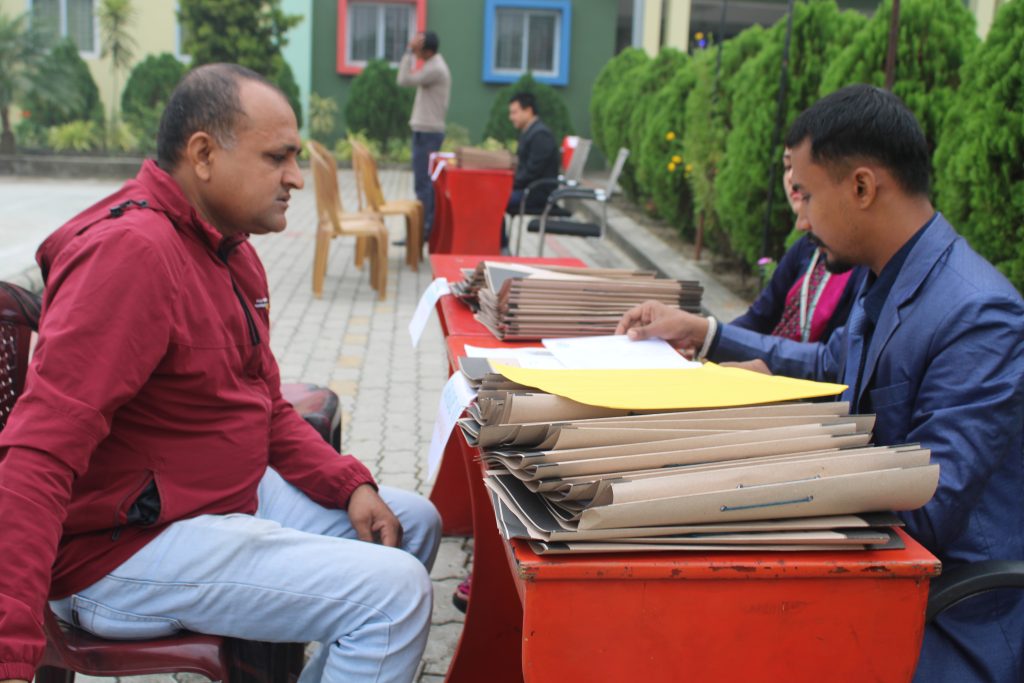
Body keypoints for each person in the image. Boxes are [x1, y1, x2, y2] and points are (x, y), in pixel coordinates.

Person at [0, 64, 441, 683]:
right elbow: (39, 452)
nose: (296, 177)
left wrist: (347, 485)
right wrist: (11, 651)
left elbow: (265, 405)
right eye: (277, 158)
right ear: (203, 155)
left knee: (412, 523)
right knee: (394, 594)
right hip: (123, 549)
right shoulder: (133, 256)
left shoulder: (230, 251)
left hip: (218, 497)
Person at [617, 84, 1024, 683]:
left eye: (806, 194)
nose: (801, 219)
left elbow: (930, 502)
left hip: (949, 611)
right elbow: (828, 365)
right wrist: (707, 338)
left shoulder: (978, 314)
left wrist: (770, 465)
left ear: (861, 187)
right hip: (878, 570)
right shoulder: (886, 274)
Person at [731, 147, 866, 343]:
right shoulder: (804, 248)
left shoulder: (867, 262)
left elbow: (833, 357)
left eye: (802, 167)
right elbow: (759, 318)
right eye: (788, 166)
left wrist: (711, 335)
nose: (792, 179)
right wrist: (709, 338)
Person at [397, 30, 451, 243]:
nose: (415, 51)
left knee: (424, 184)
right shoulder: (432, 65)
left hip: (428, 132)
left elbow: (403, 79)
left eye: (418, 47)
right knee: (424, 183)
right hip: (426, 130)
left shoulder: (435, 68)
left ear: (427, 51)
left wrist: (408, 52)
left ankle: (423, 232)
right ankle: (423, 230)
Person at [503, 92, 562, 250]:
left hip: (536, 193)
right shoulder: (531, 132)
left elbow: (531, 172)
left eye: (514, 112)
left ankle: (500, 248)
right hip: (528, 189)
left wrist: (507, 185)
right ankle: (499, 247)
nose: (511, 117)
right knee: (494, 196)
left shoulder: (540, 135)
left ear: (528, 111)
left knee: (494, 200)